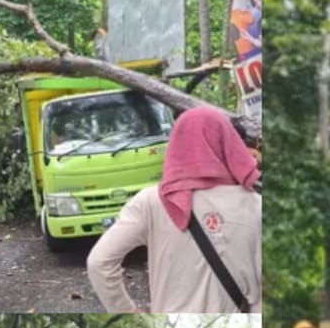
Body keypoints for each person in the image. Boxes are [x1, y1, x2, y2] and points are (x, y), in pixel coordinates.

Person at [87, 106, 262, 313]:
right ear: (227, 142)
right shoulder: (255, 204)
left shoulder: (150, 202)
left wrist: (127, 311)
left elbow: (99, 262)